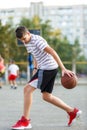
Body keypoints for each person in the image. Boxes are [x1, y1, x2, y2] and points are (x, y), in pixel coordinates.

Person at [12, 26, 82, 129]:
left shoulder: (37, 40)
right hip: (46, 68)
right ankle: (72, 112)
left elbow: (52, 51)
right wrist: (35, 69)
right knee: (46, 96)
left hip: (47, 68)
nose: (23, 41)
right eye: (21, 40)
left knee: (27, 90)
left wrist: (63, 68)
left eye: (24, 39)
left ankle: (25, 121)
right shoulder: (27, 42)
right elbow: (35, 54)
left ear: (28, 33)